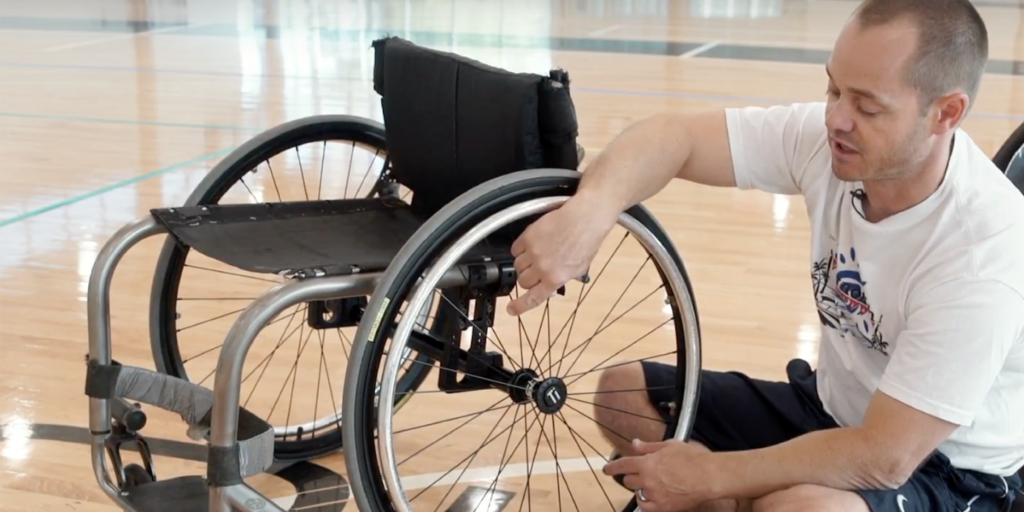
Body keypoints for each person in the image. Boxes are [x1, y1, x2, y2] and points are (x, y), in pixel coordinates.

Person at [504, 0, 1024, 511]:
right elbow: (674, 135)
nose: (836, 118)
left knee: (802, 508)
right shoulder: (833, 142)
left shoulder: (982, 252)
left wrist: (709, 475)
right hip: (829, 413)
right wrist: (591, 211)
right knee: (624, 396)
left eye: (866, 106)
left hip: (948, 471)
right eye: (833, 88)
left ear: (946, 113)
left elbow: (886, 458)